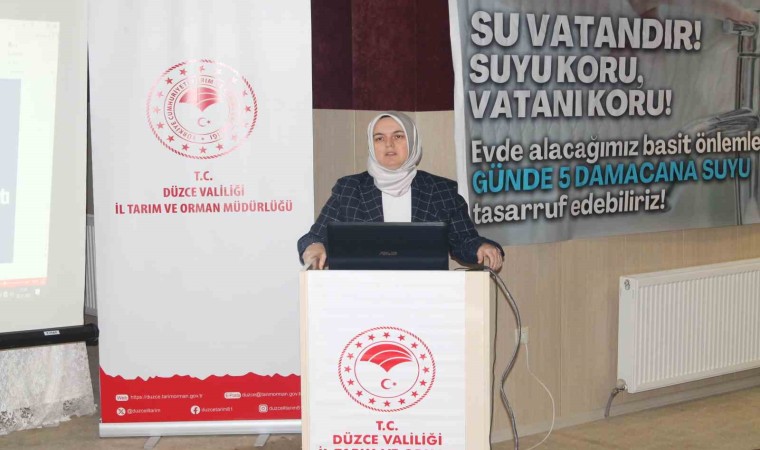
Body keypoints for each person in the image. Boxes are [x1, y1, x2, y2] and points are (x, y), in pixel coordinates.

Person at [298, 111, 504, 271]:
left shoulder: (441, 190)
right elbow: (314, 237)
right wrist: (314, 247)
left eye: (398, 136)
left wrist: (481, 247)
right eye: (379, 138)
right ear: (371, 145)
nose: (389, 144)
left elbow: (464, 240)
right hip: (361, 296)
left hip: (425, 297)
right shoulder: (349, 189)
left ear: (413, 141)